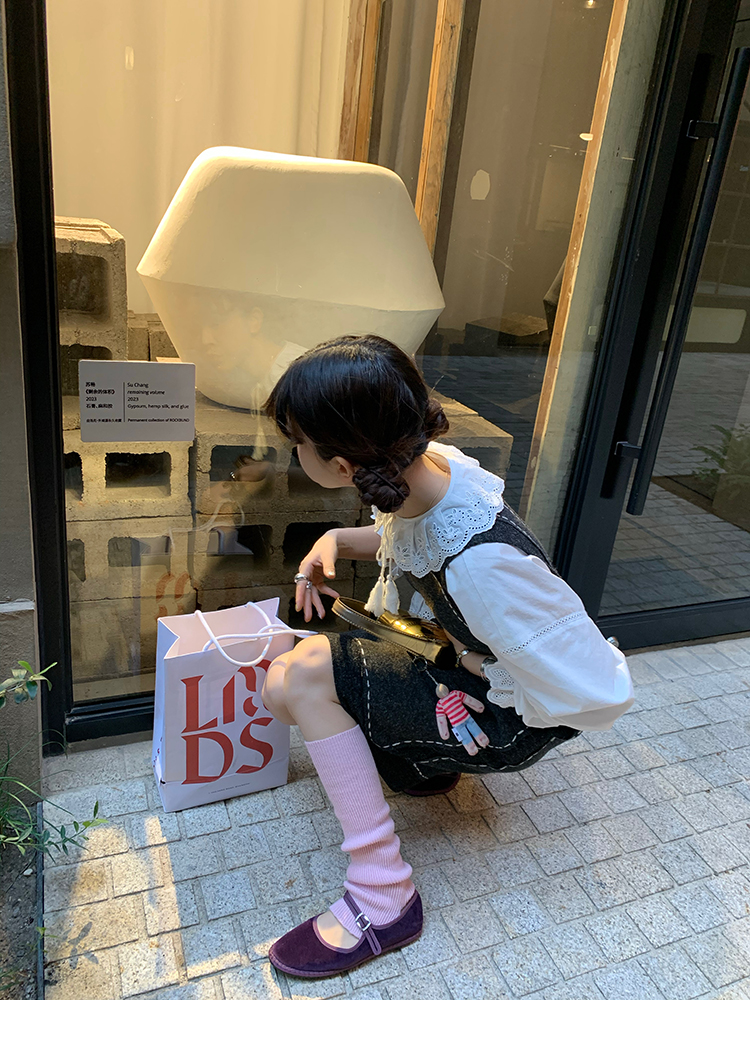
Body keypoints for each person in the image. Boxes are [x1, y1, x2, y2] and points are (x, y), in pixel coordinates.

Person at [260, 334, 634, 979]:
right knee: (296, 676)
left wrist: (472, 665)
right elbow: (410, 535)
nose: (293, 452)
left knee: (298, 679)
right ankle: (420, 766)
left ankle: (383, 897)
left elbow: (599, 690)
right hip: (458, 673)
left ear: (343, 465)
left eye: (297, 441)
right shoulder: (433, 468)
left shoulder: (483, 566)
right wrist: (337, 540)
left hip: (497, 719)